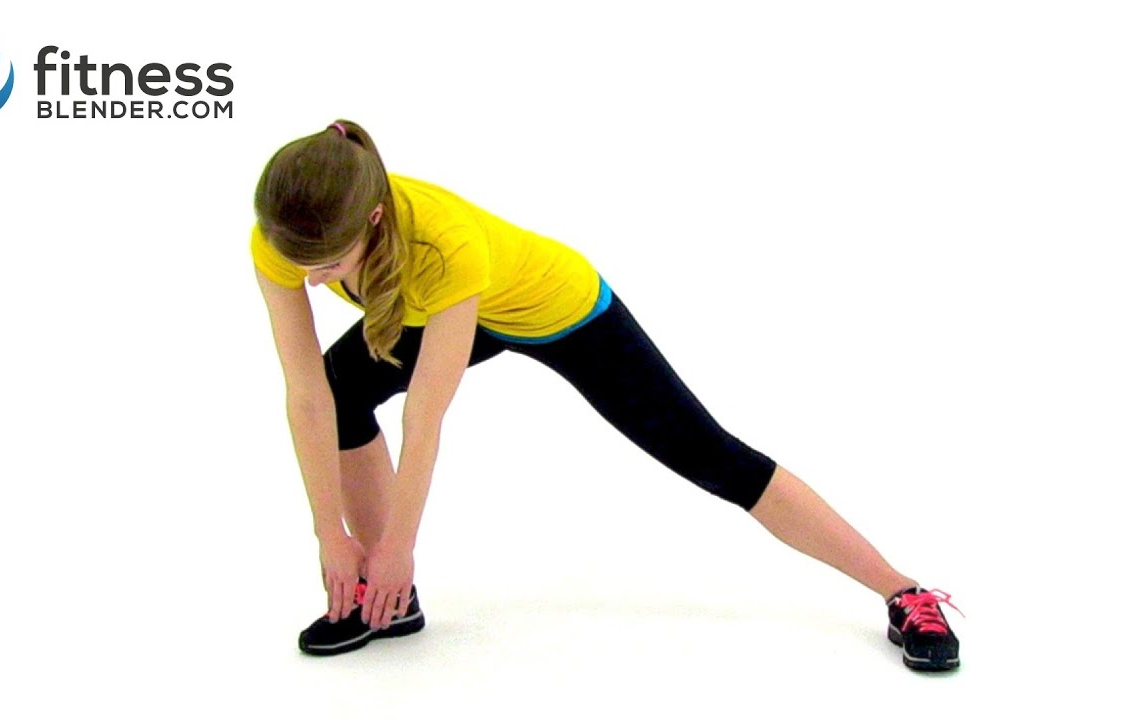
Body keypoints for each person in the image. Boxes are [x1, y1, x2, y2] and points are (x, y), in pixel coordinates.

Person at [249, 119, 964, 671]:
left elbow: (425, 418)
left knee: (711, 455)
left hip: (559, 309)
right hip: (448, 308)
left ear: (374, 220)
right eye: (300, 264)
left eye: (328, 265)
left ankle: (902, 591)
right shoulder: (281, 236)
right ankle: (387, 604)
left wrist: (398, 545)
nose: (311, 279)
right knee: (340, 390)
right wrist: (330, 536)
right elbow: (306, 394)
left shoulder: (444, 245)